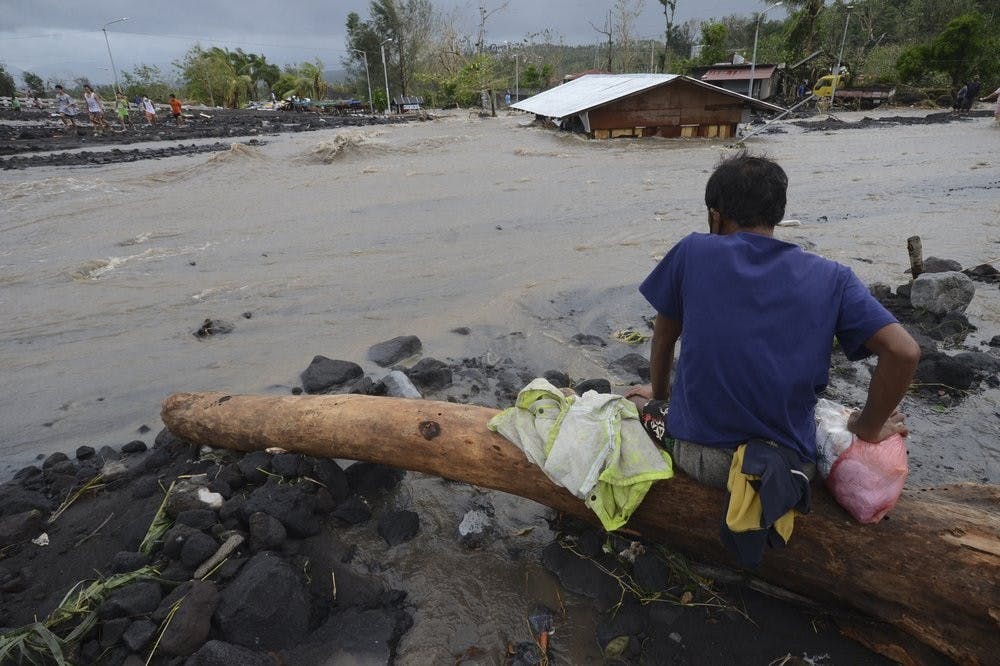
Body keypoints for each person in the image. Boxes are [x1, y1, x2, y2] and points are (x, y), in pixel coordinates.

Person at [625, 152, 920, 491]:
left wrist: (660, 396)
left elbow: (663, 340)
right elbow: (904, 352)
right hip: (791, 467)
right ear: (776, 214)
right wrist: (868, 427)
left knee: (636, 402)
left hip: (706, 460)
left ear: (714, 218)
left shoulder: (692, 251)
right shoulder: (833, 277)